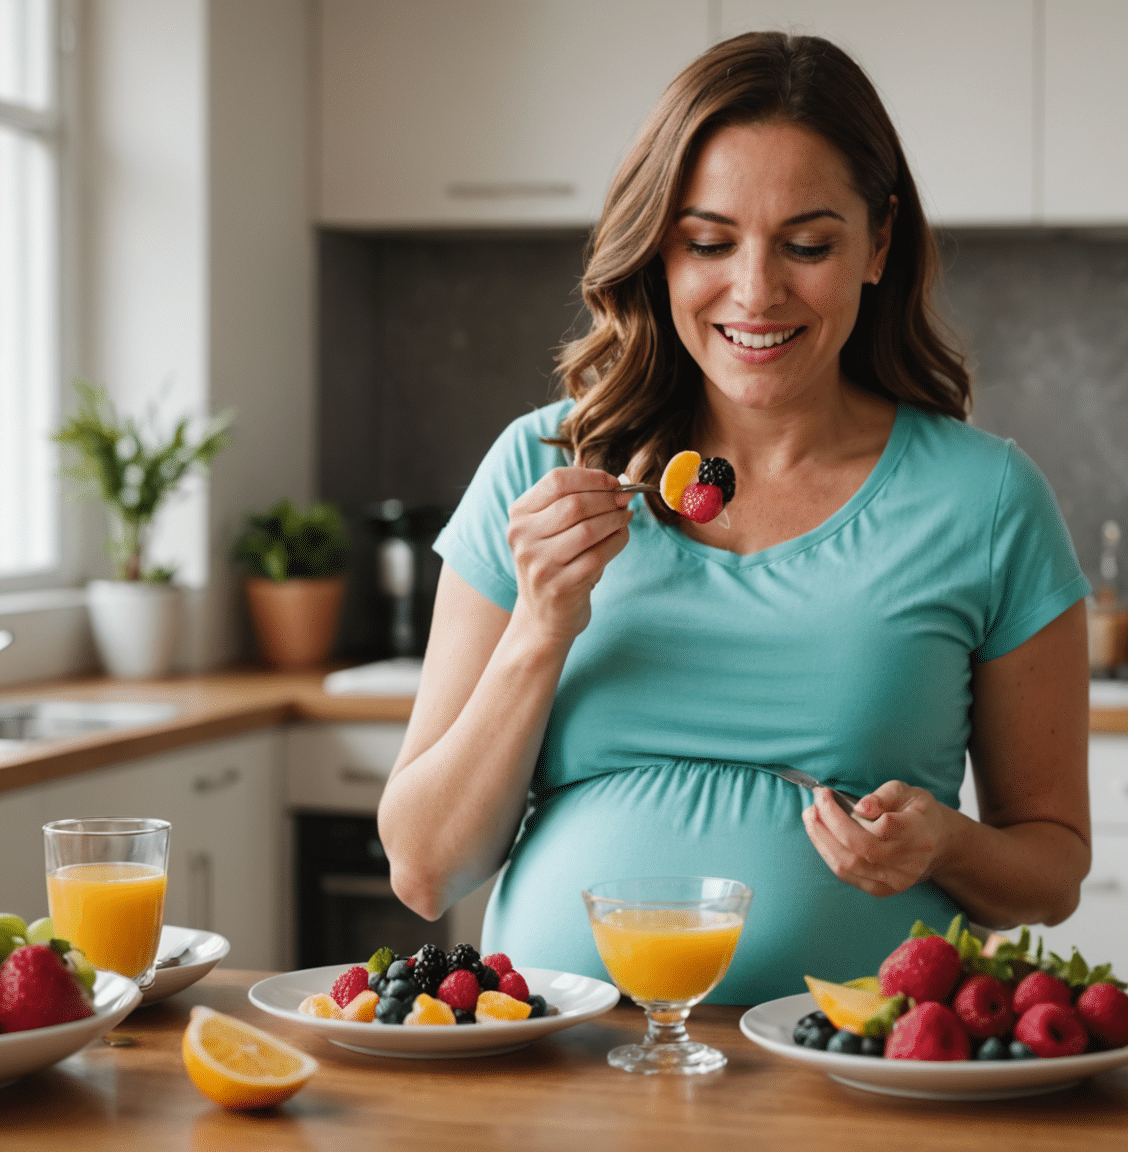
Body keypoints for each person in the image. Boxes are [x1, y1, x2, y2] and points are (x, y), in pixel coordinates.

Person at [378, 32, 1091, 1004]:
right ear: (659, 249)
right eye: (709, 242)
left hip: (856, 1061)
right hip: (566, 1061)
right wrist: (541, 627)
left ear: (879, 243)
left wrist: (947, 845)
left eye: (808, 245)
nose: (756, 292)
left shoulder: (989, 500)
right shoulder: (540, 470)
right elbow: (424, 872)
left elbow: (1051, 874)